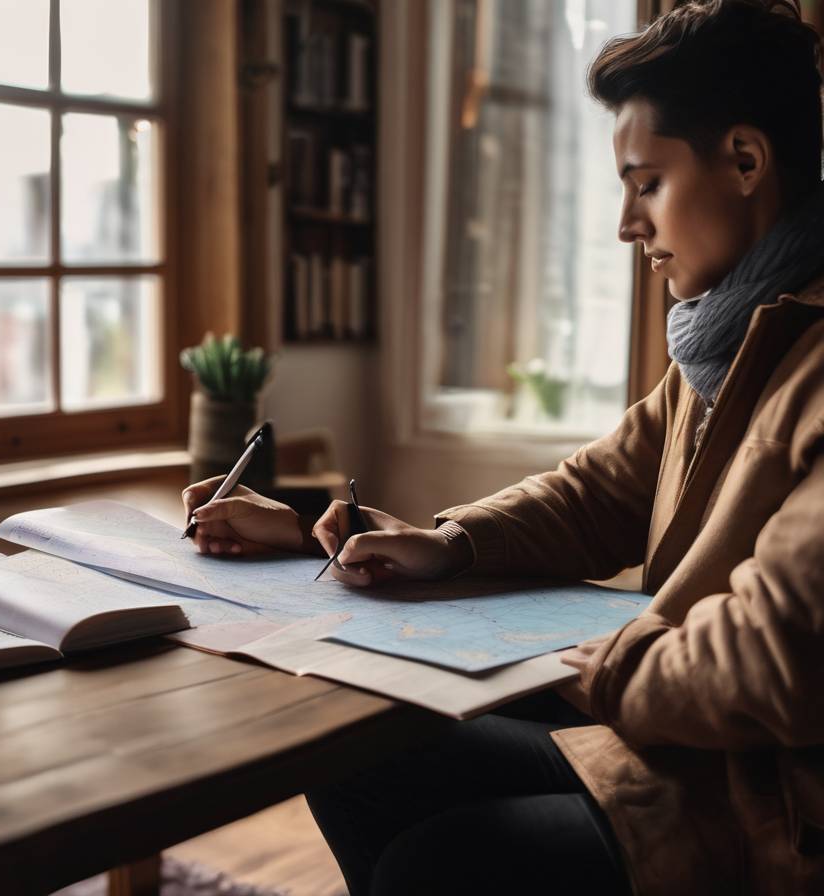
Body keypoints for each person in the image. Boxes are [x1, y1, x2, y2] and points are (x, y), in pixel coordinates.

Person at [180, 1, 824, 893]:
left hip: (767, 810)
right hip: (675, 753)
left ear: (746, 161)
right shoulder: (726, 343)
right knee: (349, 753)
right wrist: (448, 544)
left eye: (646, 184)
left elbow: (776, 656)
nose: (627, 225)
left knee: (441, 865)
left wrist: (617, 663)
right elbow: (599, 489)